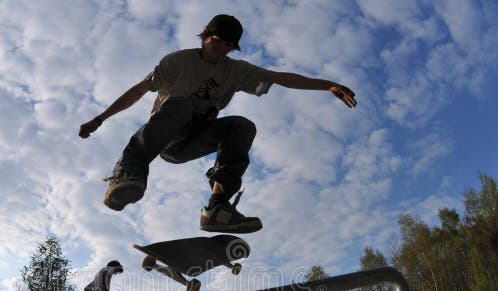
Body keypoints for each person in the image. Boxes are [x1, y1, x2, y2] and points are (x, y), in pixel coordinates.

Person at [79, 14, 357, 234]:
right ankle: (127, 173)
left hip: (193, 140)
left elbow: (282, 77)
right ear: (205, 37)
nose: (221, 50)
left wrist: (328, 85)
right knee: (183, 104)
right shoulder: (177, 61)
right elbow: (138, 90)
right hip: (167, 136)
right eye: (217, 42)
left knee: (241, 126)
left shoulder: (236, 71)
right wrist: (100, 118)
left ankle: (218, 208)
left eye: (228, 46)